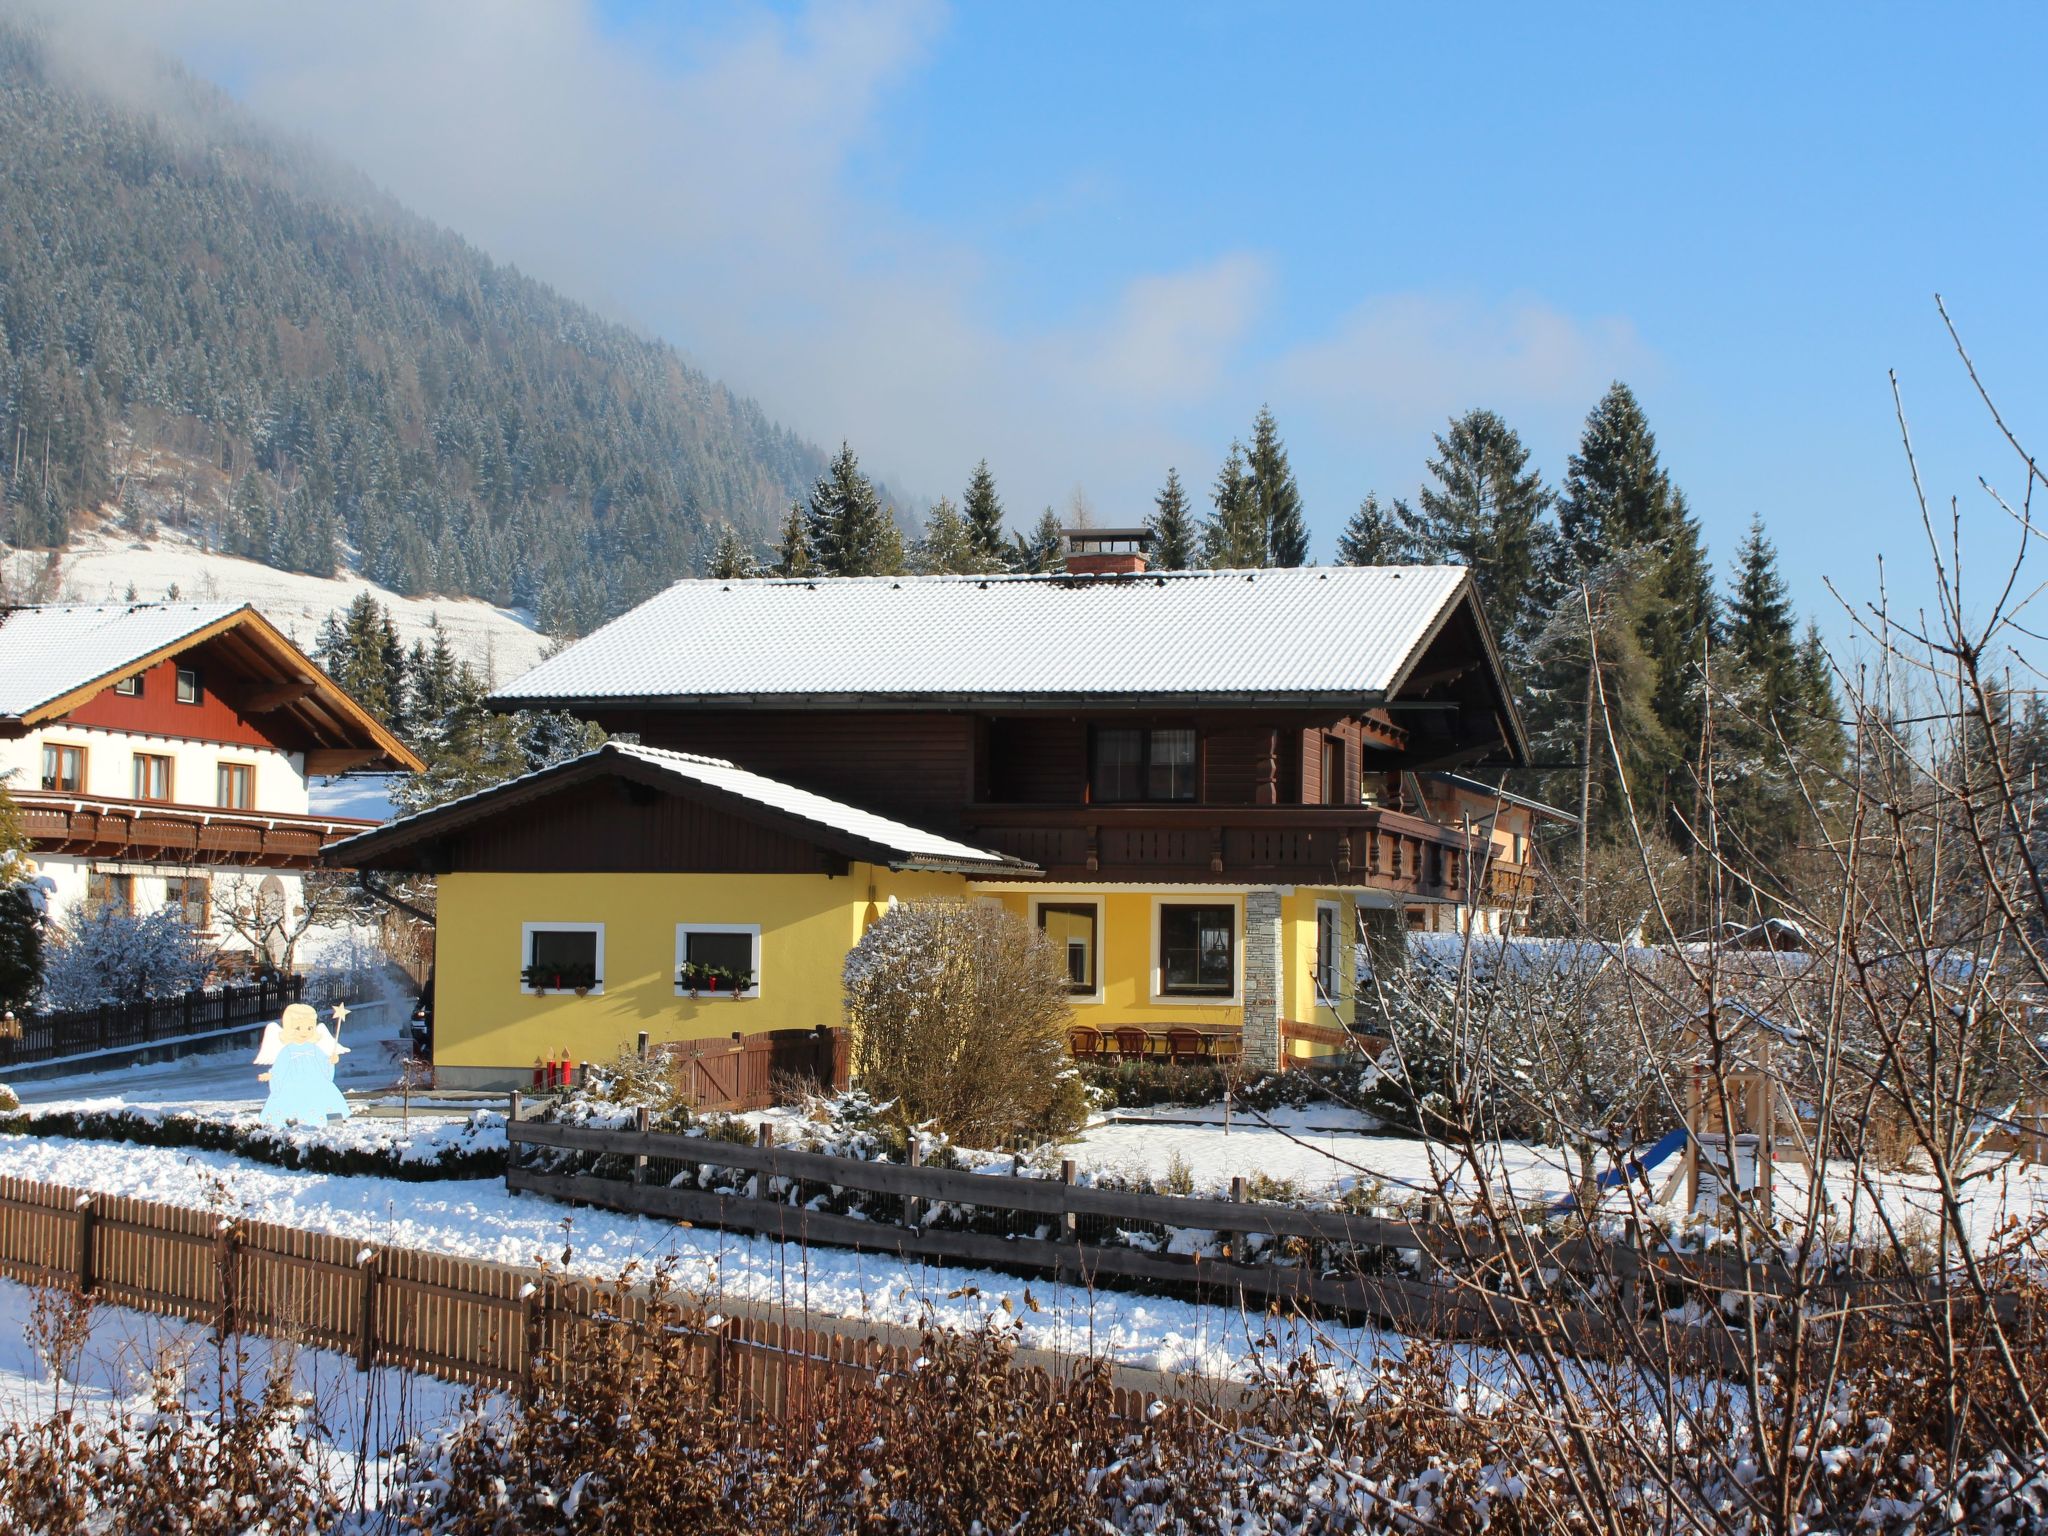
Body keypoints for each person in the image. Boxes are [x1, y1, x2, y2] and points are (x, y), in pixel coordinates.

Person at [254, 1002, 351, 1126]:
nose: (304, 1032)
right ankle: (293, 1128)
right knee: (292, 1105)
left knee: (327, 1100)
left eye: (309, 1028)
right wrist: (271, 1075)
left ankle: (333, 1127)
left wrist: (330, 1061)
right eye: (298, 1028)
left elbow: (324, 1064)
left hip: (317, 1082)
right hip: (293, 1084)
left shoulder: (314, 1048)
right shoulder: (288, 1050)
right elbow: (280, 1068)